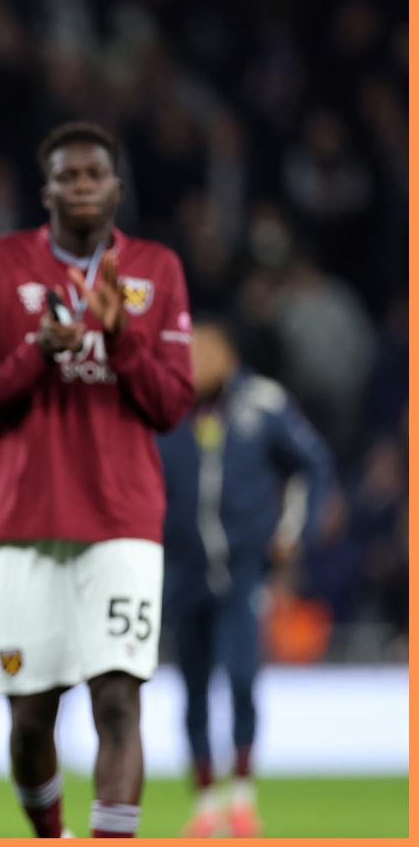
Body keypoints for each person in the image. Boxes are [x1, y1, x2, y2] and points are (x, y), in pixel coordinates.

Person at [0, 121, 195, 838]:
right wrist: (37, 351)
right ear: (47, 190)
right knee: (31, 717)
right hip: (23, 523)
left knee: (118, 704)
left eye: (94, 175)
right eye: (68, 175)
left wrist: (120, 337)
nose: (82, 186)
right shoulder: (0, 264)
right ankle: (50, 835)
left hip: (122, 523)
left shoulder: (156, 269)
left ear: (116, 188)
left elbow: (171, 405)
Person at [159, 319, 334, 838]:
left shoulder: (263, 403)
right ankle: (204, 802)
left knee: (241, 677)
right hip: (183, 569)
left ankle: (241, 797)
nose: (197, 362)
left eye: (208, 352)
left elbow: (313, 464)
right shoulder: (164, 407)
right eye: (190, 352)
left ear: (230, 357)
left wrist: (294, 530)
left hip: (242, 569)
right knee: (192, 687)